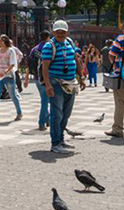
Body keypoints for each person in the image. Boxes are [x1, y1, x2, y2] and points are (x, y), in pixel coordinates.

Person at [41, 20, 85, 153]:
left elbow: (76, 59)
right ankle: (55, 144)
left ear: (67, 32)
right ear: (53, 32)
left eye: (63, 31)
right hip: (56, 83)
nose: (60, 34)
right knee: (57, 114)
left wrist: (81, 76)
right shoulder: (49, 46)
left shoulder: (69, 43)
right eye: (57, 31)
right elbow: (45, 66)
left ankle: (61, 139)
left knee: (66, 114)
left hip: (70, 83)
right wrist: (48, 85)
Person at [24, 30, 51, 131]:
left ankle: (47, 119)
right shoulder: (49, 48)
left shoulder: (34, 49)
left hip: (36, 78)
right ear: (48, 37)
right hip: (46, 78)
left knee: (44, 100)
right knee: (47, 101)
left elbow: (29, 64)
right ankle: (41, 122)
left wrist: (26, 78)